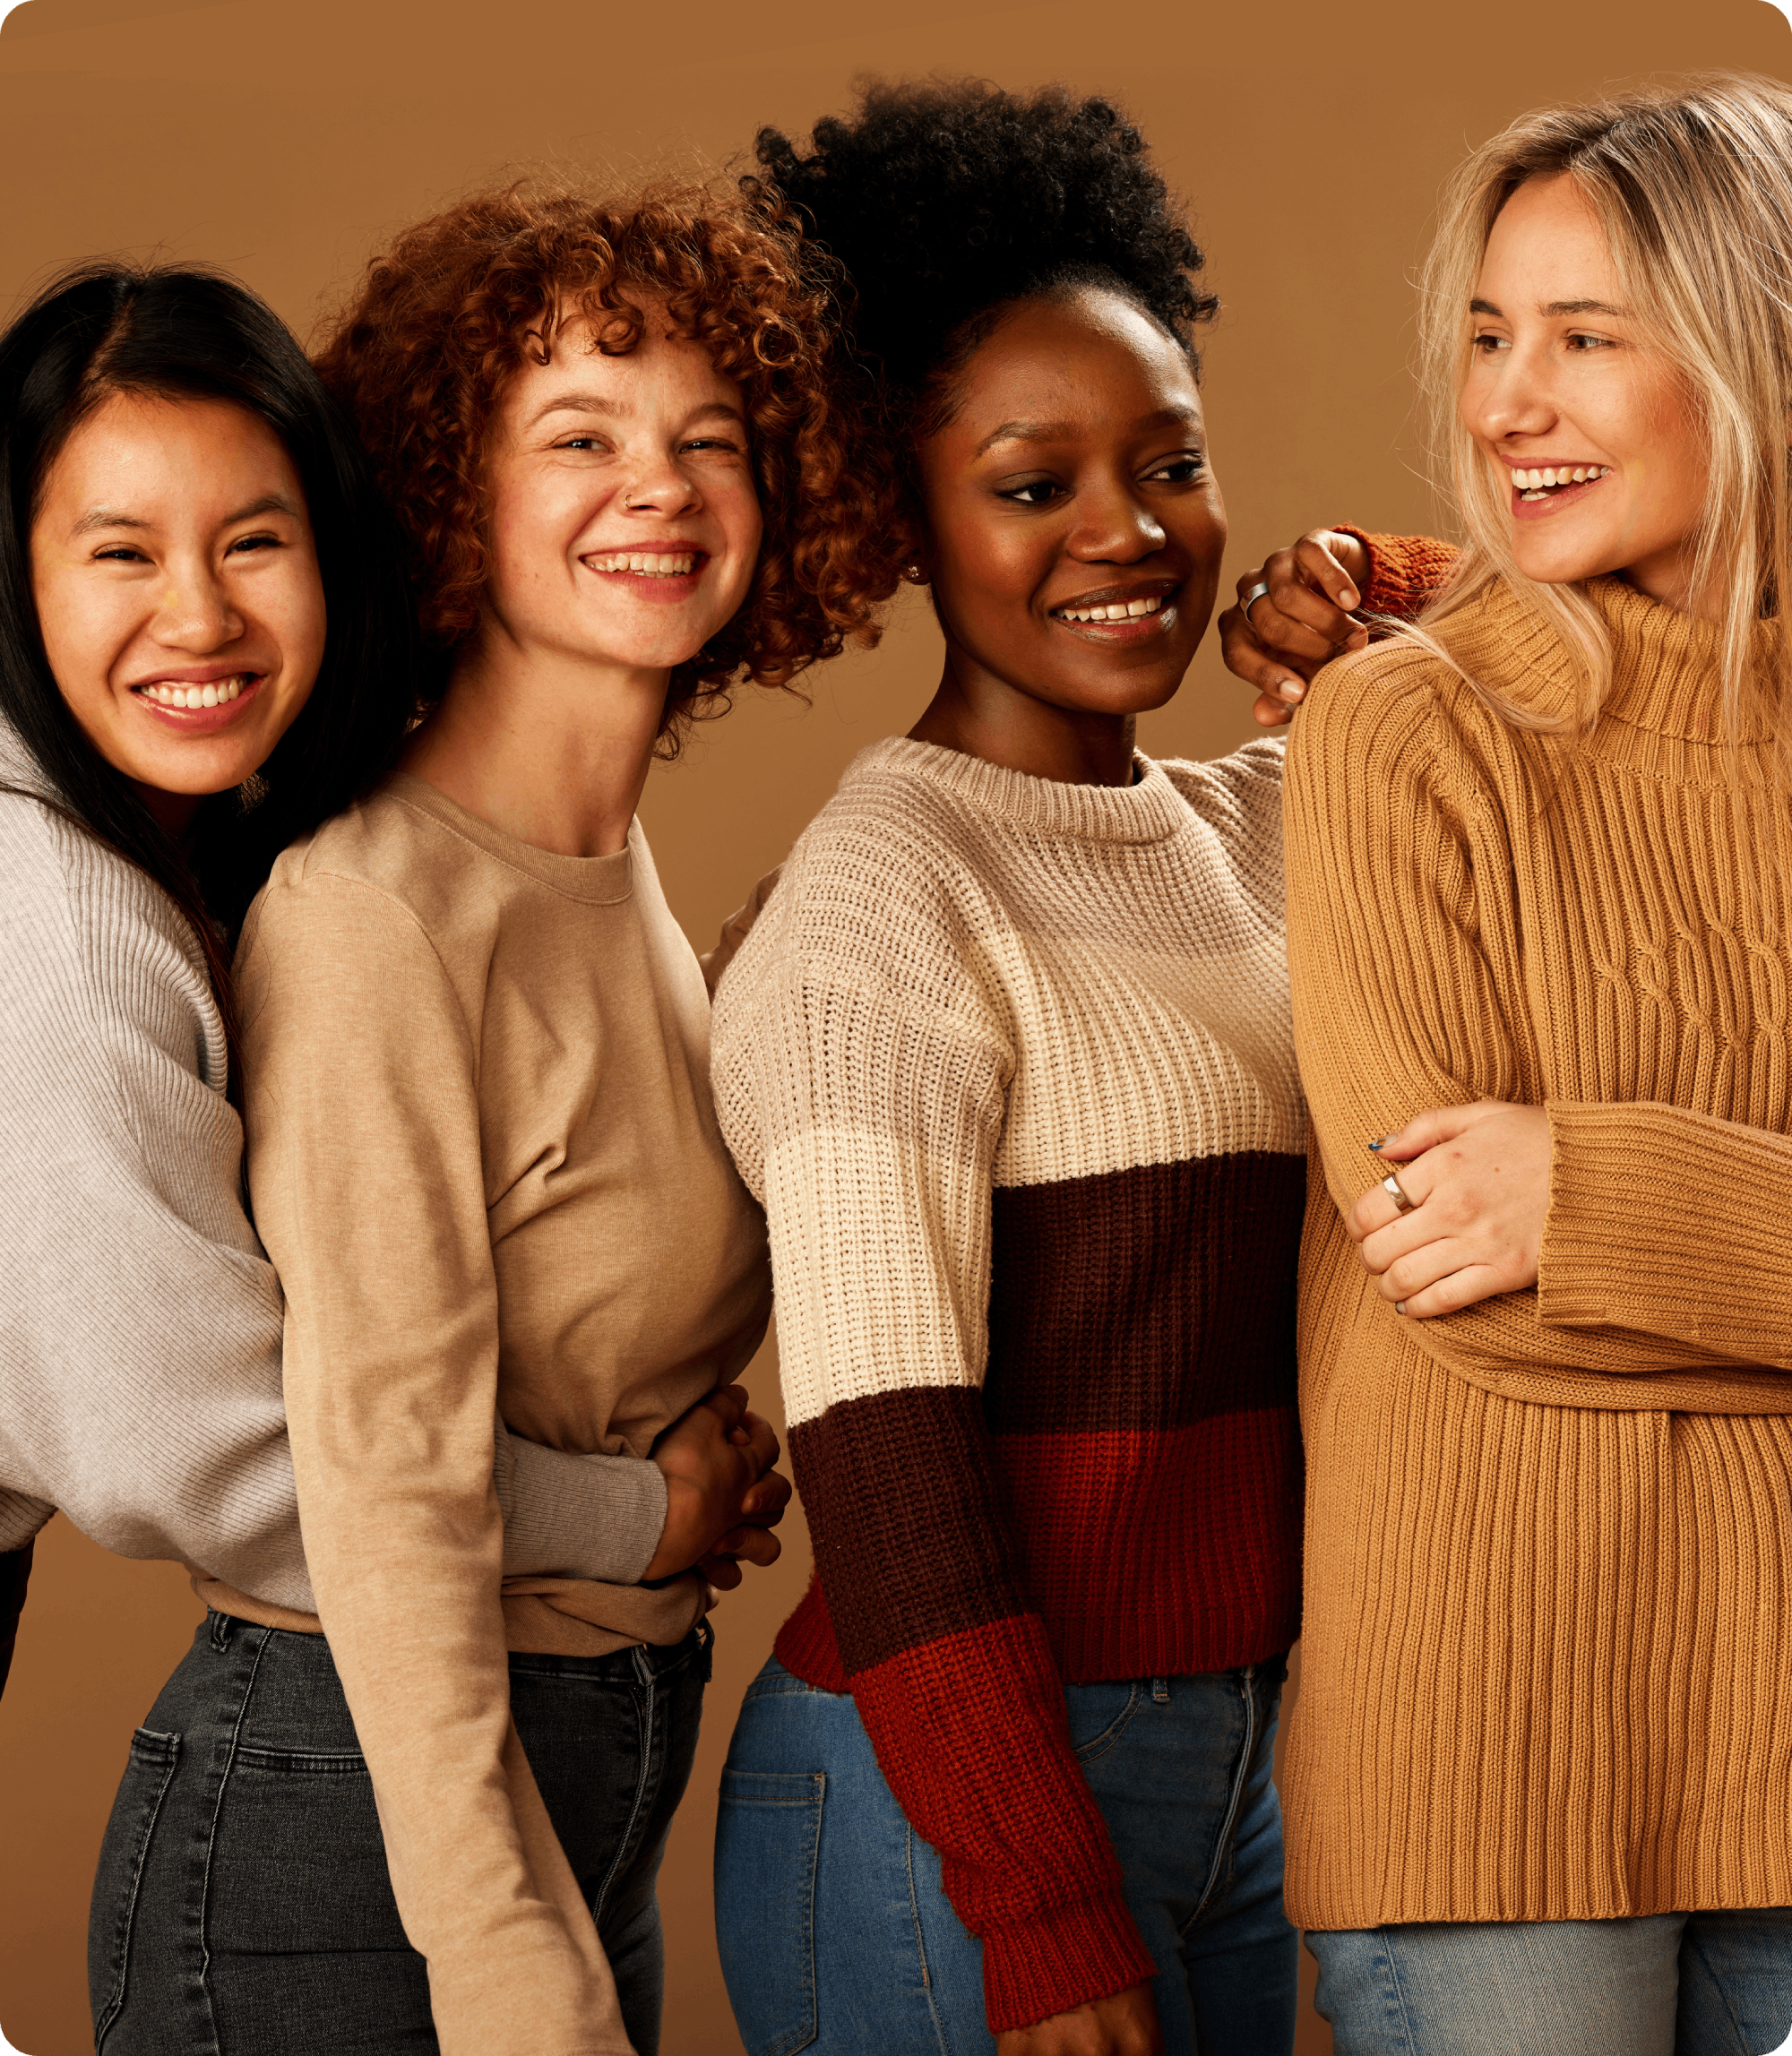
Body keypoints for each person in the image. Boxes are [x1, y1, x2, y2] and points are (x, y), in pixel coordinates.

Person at [144, 180, 899, 2056]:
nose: (658, 484)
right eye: (579, 436)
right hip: (366, 1825)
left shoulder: (608, 881)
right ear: (447, 493)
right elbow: (385, 1479)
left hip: (587, 1788)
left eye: (707, 442)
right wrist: (504, 1962)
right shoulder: (379, 912)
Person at [0, 262, 724, 2056]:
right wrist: (637, 1512)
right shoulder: (59, 924)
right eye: (117, 551)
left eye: (253, 540)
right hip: (332, 1814)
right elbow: (217, 1450)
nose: (199, 614)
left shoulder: (197, 851)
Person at [708, 80, 1326, 2056]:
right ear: (907, 509)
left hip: (1249, 1753)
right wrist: (1041, 1906)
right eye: (1032, 480)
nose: (1125, 532)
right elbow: (882, 1462)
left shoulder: (1262, 825)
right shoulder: (882, 898)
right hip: (955, 1786)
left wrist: (1376, 601)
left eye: (1169, 463)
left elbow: (1585, 752)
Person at [1229, 73, 1792, 2056]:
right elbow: (1447, 1264)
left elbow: (1549, 1236)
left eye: (1583, 338)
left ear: (1754, 357)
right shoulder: (1406, 729)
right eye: (1485, 336)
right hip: (1488, 1766)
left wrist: (1599, 1192)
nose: (1502, 403)